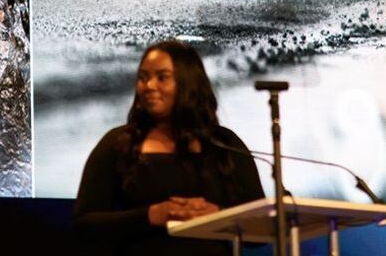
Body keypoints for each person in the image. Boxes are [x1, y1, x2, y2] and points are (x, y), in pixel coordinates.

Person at [73, 40, 266, 256]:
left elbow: (261, 231)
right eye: (143, 78)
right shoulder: (119, 143)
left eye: (162, 77)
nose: (149, 86)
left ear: (188, 84)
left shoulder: (224, 144)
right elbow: (84, 225)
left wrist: (220, 217)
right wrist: (150, 215)